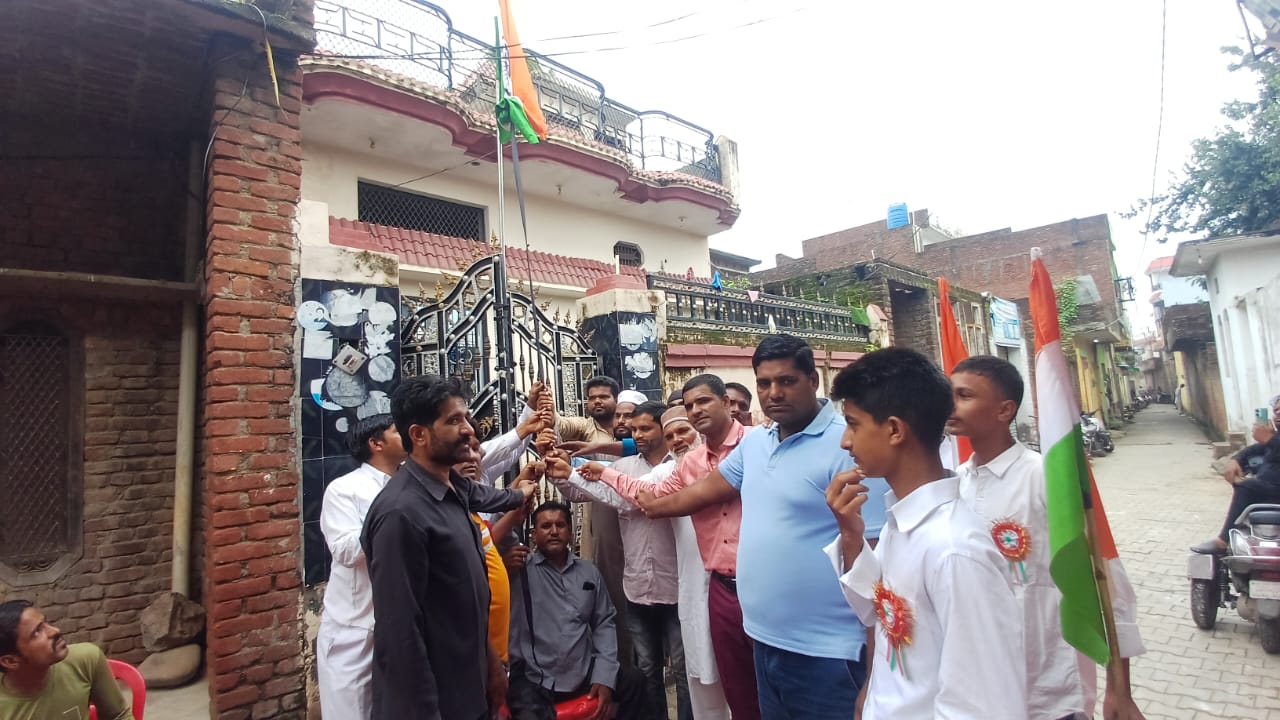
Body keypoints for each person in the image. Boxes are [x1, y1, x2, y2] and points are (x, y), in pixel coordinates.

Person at [639, 337, 890, 720]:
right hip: (763, 641)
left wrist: (875, 677)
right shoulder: (756, 443)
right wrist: (650, 506)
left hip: (829, 653)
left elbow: (880, 571)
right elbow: (703, 491)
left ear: (813, 381)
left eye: (786, 381)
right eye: (764, 383)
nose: (774, 393)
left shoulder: (849, 446)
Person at [823, 347, 1024, 719]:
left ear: (894, 430)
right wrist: (851, 537)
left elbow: (982, 706)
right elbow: (879, 612)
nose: (845, 441)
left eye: (853, 424)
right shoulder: (905, 521)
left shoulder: (955, 550)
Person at [949, 356, 1145, 720]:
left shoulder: (1046, 480)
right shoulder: (956, 482)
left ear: (1004, 410)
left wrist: (1120, 688)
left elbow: (1107, 582)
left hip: (1051, 687)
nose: (951, 405)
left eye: (964, 396)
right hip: (982, 688)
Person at [361, 374, 539, 720]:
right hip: (434, 703)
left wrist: (491, 665)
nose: (469, 430)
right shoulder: (401, 514)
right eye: (454, 420)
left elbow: (464, 605)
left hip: (470, 688)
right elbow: (400, 633)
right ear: (419, 434)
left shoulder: (453, 488)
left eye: (466, 417)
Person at [590, 373, 758, 720]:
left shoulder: (757, 443)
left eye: (703, 402)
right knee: (724, 678)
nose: (696, 412)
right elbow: (647, 494)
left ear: (726, 403)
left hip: (762, 582)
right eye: (690, 406)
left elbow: (669, 499)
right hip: (718, 587)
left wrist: (661, 505)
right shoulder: (689, 465)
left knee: (769, 674)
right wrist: (598, 470)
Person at [568, 408, 731, 720]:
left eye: (681, 432)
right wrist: (568, 472)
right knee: (650, 669)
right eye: (671, 435)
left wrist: (600, 470)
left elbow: (636, 494)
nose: (676, 439)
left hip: (690, 586)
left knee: (691, 669)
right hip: (641, 589)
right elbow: (633, 493)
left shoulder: (703, 463)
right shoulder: (657, 469)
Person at [547, 401, 690, 720]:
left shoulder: (681, 465)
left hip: (677, 587)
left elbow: (632, 499)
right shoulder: (622, 466)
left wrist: (582, 473)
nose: (636, 434)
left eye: (645, 428)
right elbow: (578, 493)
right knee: (648, 670)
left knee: (684, 671)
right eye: (634, 429)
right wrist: (560, 472)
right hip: (638, 587)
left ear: (662, 429)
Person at [507, 501, 647, 720]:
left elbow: (604, 623)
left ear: (570, 532)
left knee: (635, 682)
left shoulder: (589, 573)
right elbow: (495, 537)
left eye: (560, 525)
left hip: (580, 669)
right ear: (533, 534)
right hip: (534, 675)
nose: (554, 531)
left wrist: (604, 675)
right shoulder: (520, 570)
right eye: (546, 526)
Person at [317, 413, 408, 720]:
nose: (407, 435)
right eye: (397, 431)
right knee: (352, 711)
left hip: (398, 626)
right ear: (376, 443)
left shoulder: (410, 485)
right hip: (354, 629)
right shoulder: (344, 489)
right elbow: (344, 550)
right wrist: (393, 521)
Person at [555, 375, 631, 663]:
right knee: (608, 594)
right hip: (603, 524)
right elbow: (559, 425)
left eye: (603, 397)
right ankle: (616, 664)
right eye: (592, 397)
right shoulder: (586, 428)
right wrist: (545, 409)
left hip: (639, 523)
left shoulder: (636, 435)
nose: (597, 401)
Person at [0, 601, 130, 720]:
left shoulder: (85, 660)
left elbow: (118, 716)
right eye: (36, 633)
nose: (55, 631)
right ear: (10, 661)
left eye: (45, 623)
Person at [1193, 393, 1280, 553]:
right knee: (1248, 485)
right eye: (1276, 410)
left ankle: (1222, 541)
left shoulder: (1273, 439)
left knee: (1247, 486)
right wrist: (1236, 460)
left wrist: (1269, 439)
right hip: (1270, 490)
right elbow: (1255, 449)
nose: (1278, 413)